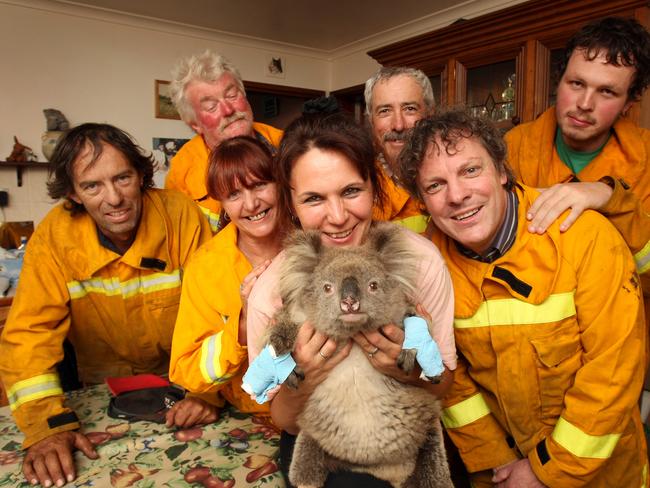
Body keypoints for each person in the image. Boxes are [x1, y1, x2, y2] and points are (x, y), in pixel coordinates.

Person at [398, 109, 647, 487]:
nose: (457, 195)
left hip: (601, 474)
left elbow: (612, 375)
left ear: (501, 171)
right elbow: (453, 382)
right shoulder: (428, 263)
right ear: (423, 202)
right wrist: (497, 465)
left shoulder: (584, 237)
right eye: (435, 185)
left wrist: (545, 471)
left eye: (470, 171)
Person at [246, 113, 457, 486]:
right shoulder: (272, 289)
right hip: (321, 429)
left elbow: (442, 382)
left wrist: (407, 370)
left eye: (350, 191)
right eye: (314, 198)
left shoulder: (417, 261)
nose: (338, 216)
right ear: (290, 204)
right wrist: (305, 376)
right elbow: (284, 418)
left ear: (375, 188)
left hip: (402, 424)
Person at [0, 123, 212, 487]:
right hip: (100, 393)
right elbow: (28, 337)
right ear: (73, 194)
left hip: (186, 390)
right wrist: (47, 427)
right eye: (92, 185)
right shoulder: (54, 236)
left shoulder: (182, 215)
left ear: (142, 176)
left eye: (123, 178)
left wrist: (210, 393)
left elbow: (218, 308)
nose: (113, 198)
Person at [504, 17, 650, 337]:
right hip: (530, 342)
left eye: (607, 91)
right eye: (577, 84)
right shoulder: (512, 148)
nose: (585, 104)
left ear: (629, 102)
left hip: (618, 342)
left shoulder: (647, 161)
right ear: (559, 81)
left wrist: (613, 200)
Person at [168, 136, 286, 426]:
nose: (251, 203)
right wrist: (243, 324)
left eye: (260, 184)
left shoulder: (313, 238)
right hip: (252, 416)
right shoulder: (207, 266)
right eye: (234, 194)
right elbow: (187, 370)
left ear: (280, 183)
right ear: (221, 202)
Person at [166, 50, 283, 232]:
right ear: (195, 125)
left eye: (232, 95)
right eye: (211, 107)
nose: (228, 110)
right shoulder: (181, 174)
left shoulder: (286, 144)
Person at [364, 66, 435, 232]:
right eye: (385, 111)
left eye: (409, 109)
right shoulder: (359, 185)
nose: (398, 125)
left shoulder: (456, 176)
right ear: (371, 121)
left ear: (430, 115)